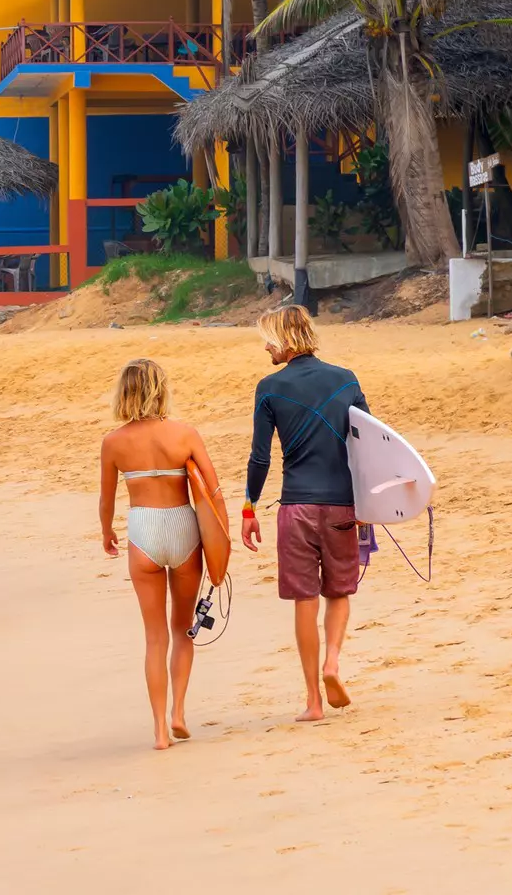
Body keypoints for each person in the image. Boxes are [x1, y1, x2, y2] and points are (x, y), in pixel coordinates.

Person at [241, 305, 369, 723]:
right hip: (341, 505)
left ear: (282, 341)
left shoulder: (269, 387)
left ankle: (313, 701)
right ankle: (333, 661)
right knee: (339, 593)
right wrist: (369, 503)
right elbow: (368, 445)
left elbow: (260, 457)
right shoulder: (345, 379)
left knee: (304, 601)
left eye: (268, 339)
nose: (265, 347)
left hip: (295, 507)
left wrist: (249, 507)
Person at [97, 358, 222, 751]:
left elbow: (106, 499)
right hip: (182, 527)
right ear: (161, 389)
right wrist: (221, 542)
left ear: (125, 392)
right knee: (182, 629)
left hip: (143, 530)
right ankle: (179, 713)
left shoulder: (114, 442)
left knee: (154, 638)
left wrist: (107, 532)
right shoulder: (184, 434)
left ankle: (158, 732)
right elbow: (213, 492)